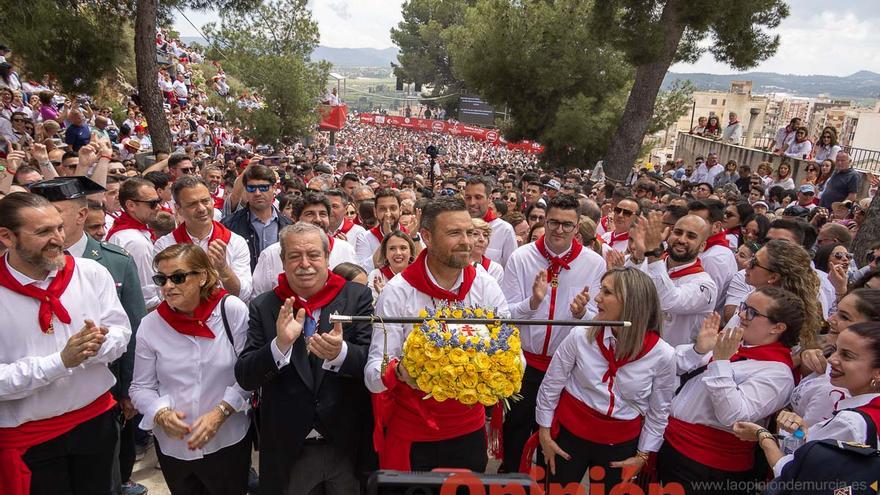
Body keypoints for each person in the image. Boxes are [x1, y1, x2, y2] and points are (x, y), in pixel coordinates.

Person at [365, 197, 510, 472]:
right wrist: (398, 371)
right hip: (414, 434)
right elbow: (373, 374)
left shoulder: (486, 287)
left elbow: (512, 353)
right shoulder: (397, 291)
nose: (467, 241)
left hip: (469, 431)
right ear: (427, 237)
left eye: (470, 232)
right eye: (454, 233)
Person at [0, 192, 131, 495]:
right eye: (43, 232)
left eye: (59, 227)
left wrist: (100, 345)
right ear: (7, 237)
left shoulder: (92, 273)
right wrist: (60, 362)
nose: (58, 239)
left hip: (95, 424)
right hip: (29, 439)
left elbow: (121, 334)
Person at [29, 177, 149, 495]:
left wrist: (128, 392)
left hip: (99, 402)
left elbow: (132, 330)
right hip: (36, 410)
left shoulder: (112, 261)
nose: (46, 223)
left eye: (55, 213)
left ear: (81, 215)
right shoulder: (23, 264)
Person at [235, 222, 374, 494]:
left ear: (327, 257)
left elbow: (371, 363)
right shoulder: (264, 305)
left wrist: (340, 354)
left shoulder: (357, 296)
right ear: (283, 261)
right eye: (295, 256)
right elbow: (246, 375)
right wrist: (279, 346)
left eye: (313, 255)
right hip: (289, 446)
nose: (305, 263)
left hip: (345, 442)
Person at [529, 267, 676, 489]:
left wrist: (643, 456)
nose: (597, 298)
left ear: (630, 303)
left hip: (620, 446)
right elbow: (551, 385)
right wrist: (545, 433)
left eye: (607, 293)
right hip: (569, 436)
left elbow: (659, 411)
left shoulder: (663, 354)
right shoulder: (580, 335)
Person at [130, 244, 252, 494]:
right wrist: (161, 414)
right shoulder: (150, 325)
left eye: (178, 277)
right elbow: (141, 387)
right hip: (175, 446)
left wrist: (221, 412)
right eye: (161, 279)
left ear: (203, 276)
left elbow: (249, 375)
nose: (168, 286)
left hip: (227, 440)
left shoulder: (231, 311)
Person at [657, 286, 804, 494]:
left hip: (708, 465)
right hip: (676, 445)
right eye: (744, 307)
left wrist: (721, 361)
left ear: (777, 327)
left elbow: (734, 416)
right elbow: (675, 367)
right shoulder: (737, 344)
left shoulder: (778, 373)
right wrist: (699, 349)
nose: (742, 315)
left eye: (752, 313)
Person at [500, 194, 605, 472]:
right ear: (544, 221)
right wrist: (532, 303)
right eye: (553, 222)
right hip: (524, 363)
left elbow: (600, 320)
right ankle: (510, 481)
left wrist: (583, 314)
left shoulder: (594, 263)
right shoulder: (521, 258)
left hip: (567, 367)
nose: (559, 230)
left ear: (577, 227)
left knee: (555, 436)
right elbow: (505, 315)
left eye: (567, 225)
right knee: (515, 430)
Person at [734, 319, 880, 477]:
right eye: (836, 350)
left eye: (847, 356)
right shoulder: (860, 414)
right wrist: (800, 432)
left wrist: (762, 435)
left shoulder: (850, 422)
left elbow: (793, 471)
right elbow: (816, 449)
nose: (832, 359)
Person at [154, 175, 253, 301]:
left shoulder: (235, 242)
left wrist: (223, 269)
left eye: (205, 201)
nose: (201, 209)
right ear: (179, 209)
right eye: (192, 204)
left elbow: (242, 295)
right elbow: (163, 294)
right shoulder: (165, 245)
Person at [626, 212, 718, 346]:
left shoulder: (706, 286)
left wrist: (652, 253)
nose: (681, 240)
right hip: (635, 351)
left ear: (702, 246)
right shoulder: (650, 262)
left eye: (691, 236)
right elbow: (627, 294)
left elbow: (667, 300)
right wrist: (638, 255)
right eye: (678, 232)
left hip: (675, 362)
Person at [252, 192, 357, 296]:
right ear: (294, 218)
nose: (318, 219)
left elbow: (354, 291)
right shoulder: (271, 254)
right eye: (310, 214)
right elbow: (259, 295)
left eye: (323, 214)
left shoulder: (345, 249)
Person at [221, 165, 293, 271]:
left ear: (274, 188)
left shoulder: (289, 226)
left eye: (263, 188)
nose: (257, 193)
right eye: (251, 188)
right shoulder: (229, 226)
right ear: (245, 190)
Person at [106, 177, 162, 310]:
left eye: (158, 201)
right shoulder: (136, 242)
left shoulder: (125, 232)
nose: (158, 207)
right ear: (131, 205)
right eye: (152, 203)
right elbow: (148, 297)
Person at [689, 199, 737, 313]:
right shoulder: (707, 250)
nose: (689, 226)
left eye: (697, 222)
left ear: (716, 226)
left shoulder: (715, 258)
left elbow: (705, 301)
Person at [465, 177, 517, 266]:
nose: (472, 202)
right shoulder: (457, 225)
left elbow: (511, 267)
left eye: (478, 197)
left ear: (489, 199)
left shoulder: (505, 229)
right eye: (468, 197)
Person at [354, 188, 405, 273]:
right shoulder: (365, 237)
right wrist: (387, 238)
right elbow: (362, 270)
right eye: (382, 209)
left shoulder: (412, 235)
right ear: (375, 212)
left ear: (400, 210)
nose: (388, 213)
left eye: (393, 208)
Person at [367, 230, 415, 301]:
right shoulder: (377, 275)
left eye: (403, 248)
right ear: (385, 253)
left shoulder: (420, 275)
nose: (398, 253)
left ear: (411, 252)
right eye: (392, 248)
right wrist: (382, 295)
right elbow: (372, 308)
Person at [470, 218, 504, 284]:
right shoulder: (456, 266)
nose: (482, 239)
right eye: (475, 234)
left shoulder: (495, 269)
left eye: (485, 235)